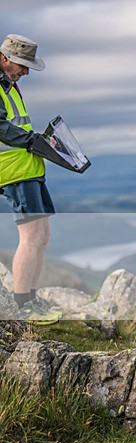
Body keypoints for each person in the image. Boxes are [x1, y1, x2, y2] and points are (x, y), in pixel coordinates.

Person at [0, 34, 60, 325]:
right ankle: (21, 303)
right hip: (12, 170)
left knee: (43, 235)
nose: (25, 72)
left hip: (28, 168)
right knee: (32, 236)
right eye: (22, 65)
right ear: (4, 58)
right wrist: (33, 140)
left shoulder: (10, 86)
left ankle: (31, 299)